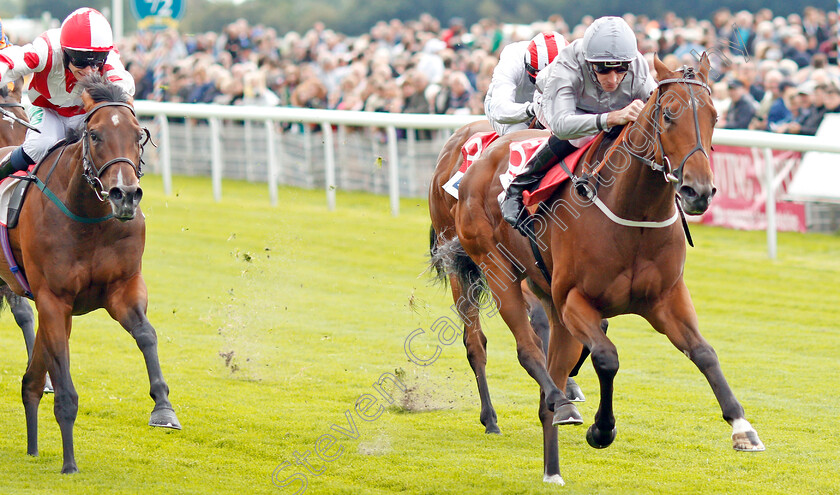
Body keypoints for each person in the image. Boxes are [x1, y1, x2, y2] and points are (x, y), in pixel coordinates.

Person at [500, 17, 657, 227]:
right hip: (557, 105)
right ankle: (516, 190)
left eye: (620, 70)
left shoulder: (637, 66)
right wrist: (612, 118)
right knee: (582, 137)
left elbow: (657, 108)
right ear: (589, 61)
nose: (612, 79)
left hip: (609, 108)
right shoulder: (568, 64)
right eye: (603, 69)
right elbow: (563, 126)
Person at [0, 8, 134, 181]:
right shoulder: (47, 49)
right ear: (65, 52)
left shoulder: (109, 58)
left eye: (97, 61)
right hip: (48, 110)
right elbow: (12, 60)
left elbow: (123, 85)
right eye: (80, 60)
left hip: (85, 114)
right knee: (38, 146)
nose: (89, 70)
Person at [484, 31, 567, 136]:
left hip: (548, 109)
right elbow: (499, 110)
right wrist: (532, 109)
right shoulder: (512, 59)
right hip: (508, 113)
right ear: (528, 67)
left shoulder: (572, 60)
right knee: (521, 135)